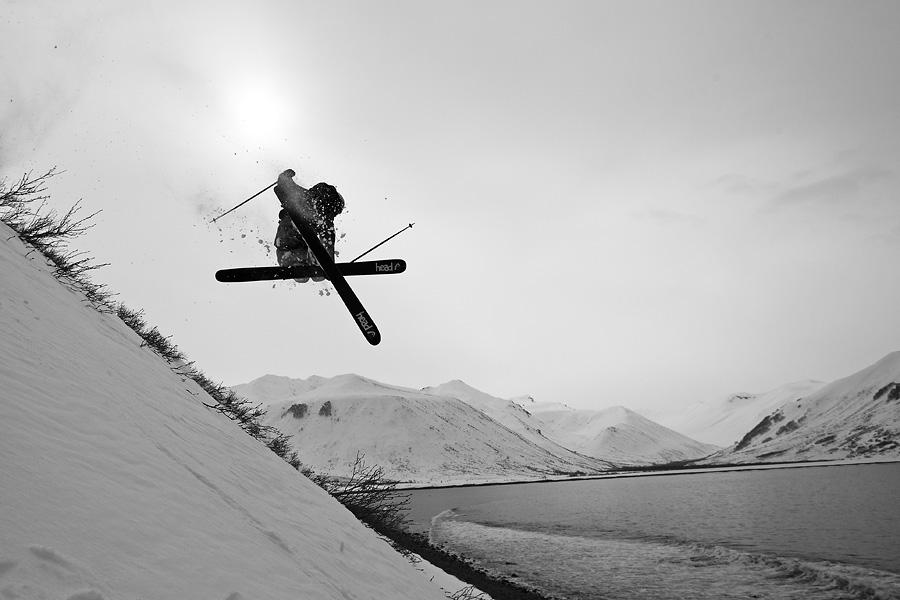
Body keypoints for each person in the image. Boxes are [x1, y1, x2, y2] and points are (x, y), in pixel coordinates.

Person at [274, 181, 345, 283]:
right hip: (290, 249)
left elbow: (290, 186)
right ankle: (315, 266)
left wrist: (286, 180)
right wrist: (330, 268)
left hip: (286, 251)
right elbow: (327, 241)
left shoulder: (307, 198)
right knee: (318, 275)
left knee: (314, 275)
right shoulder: (324, 217)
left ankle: (306, 266)